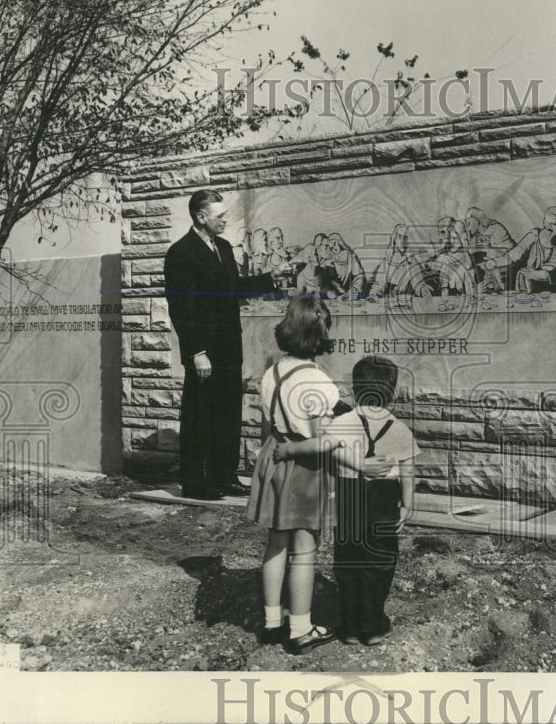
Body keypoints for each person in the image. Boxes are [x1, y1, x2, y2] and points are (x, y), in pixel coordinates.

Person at [275, 355, 420, 646]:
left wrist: (289, 449)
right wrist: (407, 504)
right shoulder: (401, 429)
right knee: (380, 560)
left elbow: (321, 446)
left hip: (349, 495)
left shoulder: (343, 422)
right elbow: (408, 471)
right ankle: (373, 625)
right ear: (391, 392)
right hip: (384, 498)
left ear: (355, 390)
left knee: (349, 558)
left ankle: (350, 626)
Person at [245, 295, 341, 654]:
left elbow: (267, 427)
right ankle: (301, 629)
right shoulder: (317, 382)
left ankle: (272, 621)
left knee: (275, 542)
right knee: (304, 550)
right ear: (318, 332)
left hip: (274, 458)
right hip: (303, 466)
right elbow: (322, 442)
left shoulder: (272, 373)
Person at [164, 190, 275, 501]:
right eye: (220, 216)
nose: (226, 220)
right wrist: (196, 353)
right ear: (201, 217)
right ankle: (194, 483)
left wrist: (269, 279)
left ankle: (224, 478)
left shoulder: (224, 247)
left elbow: (233, 290)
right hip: (204, 352)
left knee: (227, 415)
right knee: (200, 417)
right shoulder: (181, 253)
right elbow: (180, 309)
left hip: (229, 348)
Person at [483, 206, 556, 294]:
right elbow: (513, 256)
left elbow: (554, 271)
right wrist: (494, 262)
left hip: (549, 290)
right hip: (526, 285)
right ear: (551, 225)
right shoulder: (534, 235)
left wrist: (534, 275)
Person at [464, 207, 516, 292]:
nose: (467, 228)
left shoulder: (496, 228)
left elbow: (511, 252)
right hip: (492, 277)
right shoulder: (479, 236)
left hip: (509, 270)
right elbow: (471, 251)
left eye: (468, 223)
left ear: (477, 220)